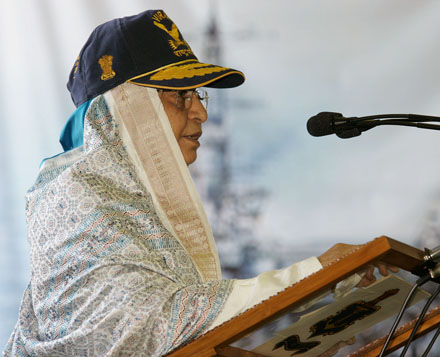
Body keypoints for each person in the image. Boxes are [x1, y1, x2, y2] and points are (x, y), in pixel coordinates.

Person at [4, 9, 395, 356]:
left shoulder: (133, 196)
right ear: (124, 110)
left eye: (197, 95)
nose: (200, 114)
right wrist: (313, 275)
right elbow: (139, 328)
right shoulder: (72, 194)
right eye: (179, 97)